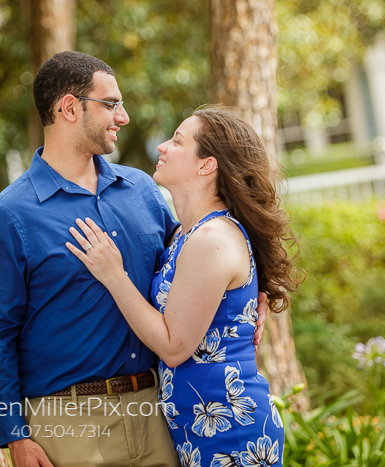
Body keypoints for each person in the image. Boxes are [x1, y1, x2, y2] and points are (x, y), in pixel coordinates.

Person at [0, 52, 268, 467]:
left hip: (158, 415)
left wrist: (256, 296)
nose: (123, 117)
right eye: (111, 104)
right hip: (67, 426)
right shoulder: (12, 215)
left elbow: (194, 262)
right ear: (69, 108)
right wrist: (14, 437)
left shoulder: (141, 190)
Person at [67, 106, 302, 467]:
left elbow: (175, 347)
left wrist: (113, 276)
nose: (162, 146)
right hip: (198, 426)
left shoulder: (212, 238)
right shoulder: (187, 233)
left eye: (177, 140)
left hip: (230, 429)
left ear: (206, 165)